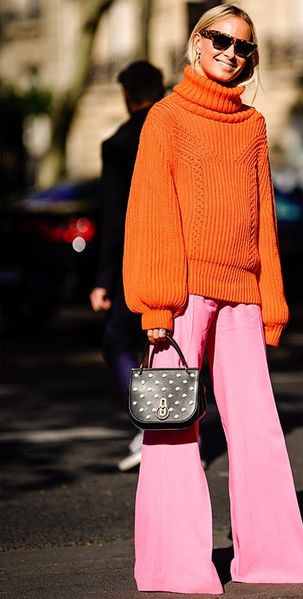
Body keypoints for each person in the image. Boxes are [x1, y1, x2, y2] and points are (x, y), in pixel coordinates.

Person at [122, 4, 303, 594]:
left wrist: (272, 301)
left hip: (243, 295)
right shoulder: (165, 118)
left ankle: (273, 559)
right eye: (222, 40)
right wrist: (155, 306)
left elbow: (264, 218)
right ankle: (173, 566)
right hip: (180, 294)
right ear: (198, 42)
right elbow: (152, 213)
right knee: (174, 429)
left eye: (245, 48)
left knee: (257, 426)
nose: (233, 53)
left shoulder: (253, 125)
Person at [89, 61, 165, 471]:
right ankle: (174, 425)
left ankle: (155, 427)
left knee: (118, 341)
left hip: (135, 258)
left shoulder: (118, 143)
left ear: (126, 95)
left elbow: (114, 215)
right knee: (172, 343)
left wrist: (103, 279)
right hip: (183, 255)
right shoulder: (180, 128)